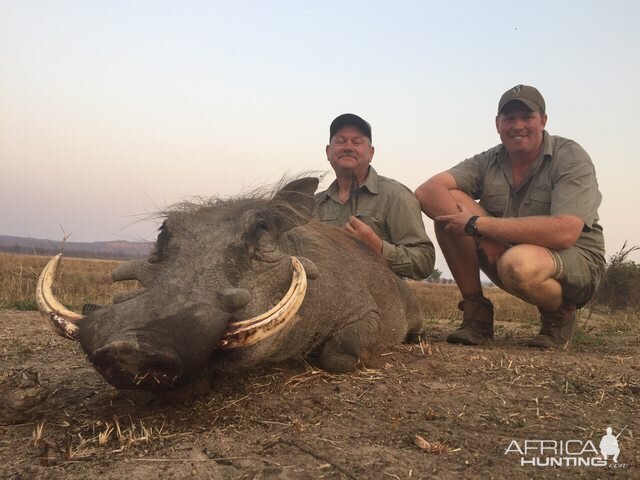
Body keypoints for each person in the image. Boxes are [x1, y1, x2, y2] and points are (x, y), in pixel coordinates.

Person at [414, 85, 606, 348]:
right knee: (450, 209)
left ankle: (559, 314)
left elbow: (565, 232)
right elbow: (427, 191)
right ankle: (476, 314)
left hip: (577, 258)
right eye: (509, 118)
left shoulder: (571, 156)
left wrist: (479, 225)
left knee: (517, 263)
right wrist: (485, 237)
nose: (518, 126)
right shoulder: (489, 158)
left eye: (527, 117)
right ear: (497, 124)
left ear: (543, 121)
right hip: (508, 250)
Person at [314, 113, 435, 280]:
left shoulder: (395, 196)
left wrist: (378, 247)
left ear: (371, 153)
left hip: (377, 303)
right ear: (328, 152)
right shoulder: (312, 204)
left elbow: (425, 261)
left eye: (357, 142)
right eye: (340, 141)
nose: (348, 147)